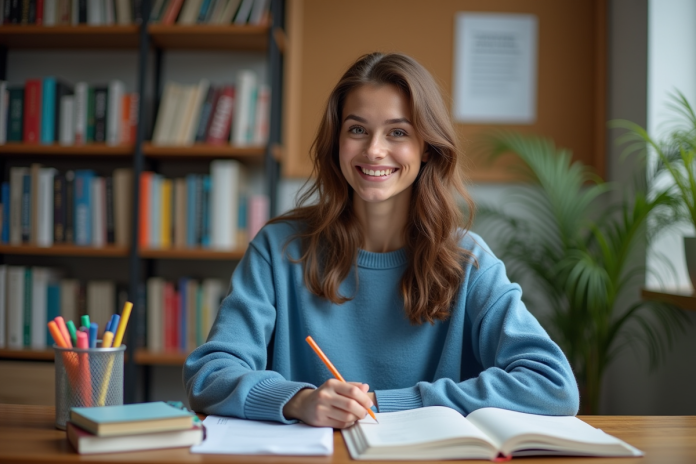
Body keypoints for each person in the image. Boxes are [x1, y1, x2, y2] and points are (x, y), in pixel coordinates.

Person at [183, 52, 579, 428]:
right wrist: (297, 400)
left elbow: (552, 385)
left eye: (398, 132)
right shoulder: (278, 248)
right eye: (357, 130)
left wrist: (391, 404)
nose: (374, 150)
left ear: (426, 148)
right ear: (337, 142)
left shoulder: (469, 260)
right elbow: (209, 374)